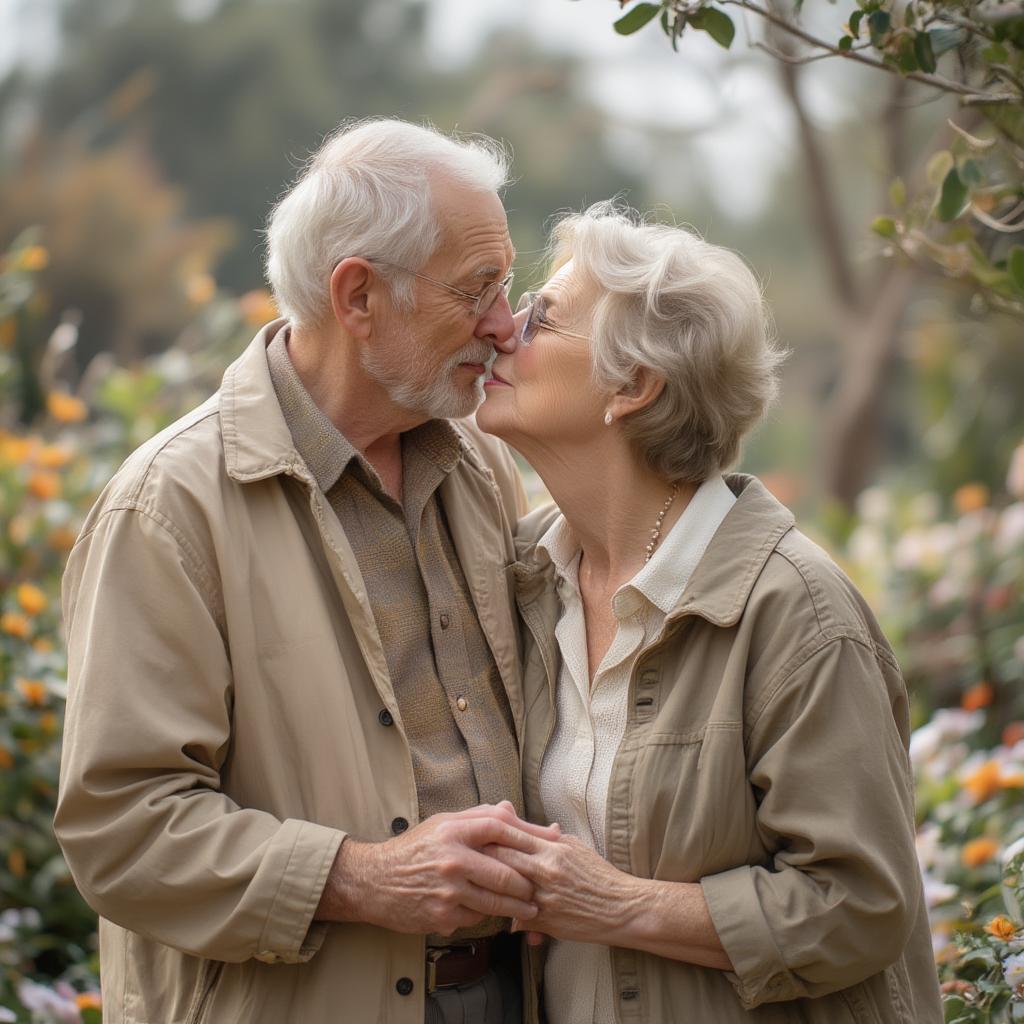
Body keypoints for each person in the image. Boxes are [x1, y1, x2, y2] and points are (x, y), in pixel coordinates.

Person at [53, 118, 557, 1024]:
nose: (503, 323)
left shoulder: (480, 463)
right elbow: (121, 833)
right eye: (478, 289)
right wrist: (362, 879)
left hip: (514, 993)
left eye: (507, 286)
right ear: (358, 295)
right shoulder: (169, 509)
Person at [475, 201, 944, 1023]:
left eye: (542, 318)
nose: (502, 330)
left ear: (634, 386)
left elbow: (860, 906)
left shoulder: (795, 611)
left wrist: (615, 904)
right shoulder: (523, 577)